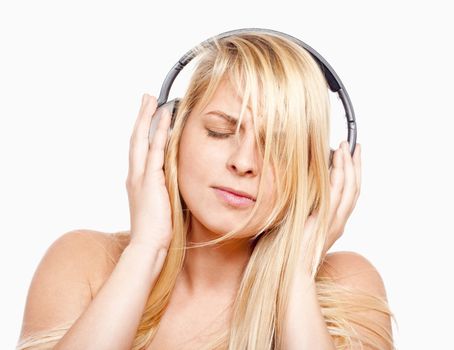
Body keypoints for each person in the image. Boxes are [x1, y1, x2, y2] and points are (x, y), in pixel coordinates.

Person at [17, 32, 395, 349]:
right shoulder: (84, 264)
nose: (244, 162)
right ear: (168, 135)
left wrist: (295, 274)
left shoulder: (348, 287)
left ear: (319, 171)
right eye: (220, 130)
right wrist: (145, 252)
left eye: (279, 145)